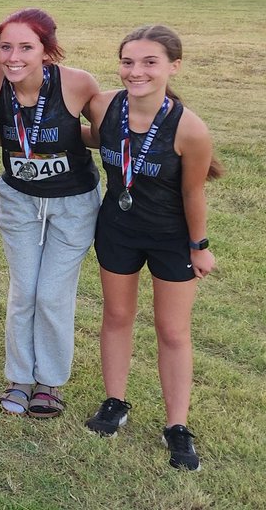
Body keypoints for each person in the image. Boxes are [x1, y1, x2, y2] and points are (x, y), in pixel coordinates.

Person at [82, 25, 219, 471]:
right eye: (128, 62)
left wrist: (199, 246)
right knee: (117, 316)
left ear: (173, 67)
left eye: (149, 62)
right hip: (117, 229)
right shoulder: (105, 106)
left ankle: (177, 426)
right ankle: (115, 402)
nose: (135, 71)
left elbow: (192, 194)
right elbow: (91, 136)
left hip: (170, 237)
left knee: (172, 330)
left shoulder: (190, 129)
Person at [0, 8, 101, 418]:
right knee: (24, 290)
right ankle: (18, 378)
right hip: (19, 200)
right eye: (6, 47)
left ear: (47, 51)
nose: (13, 57)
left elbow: (103, 135)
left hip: (73, 203)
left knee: (52, 293)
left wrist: (67, 138)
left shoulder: (77, 83)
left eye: (26, 47)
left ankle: (48, 383)